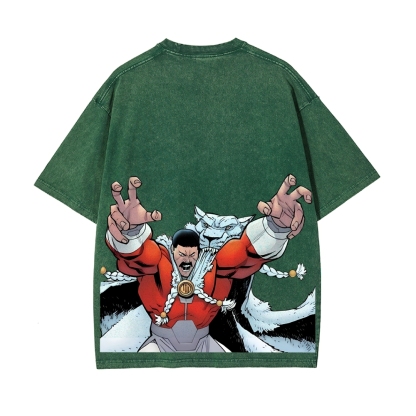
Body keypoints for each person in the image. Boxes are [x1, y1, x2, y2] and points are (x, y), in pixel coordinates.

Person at [105, 174, 312, 352]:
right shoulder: (159, 264)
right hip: (159, 345)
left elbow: (245, 253)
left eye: (191, 254)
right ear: (173, 251)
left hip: (205, 344)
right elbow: (139, 257)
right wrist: (131, 233)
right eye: (181, 254)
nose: (187, 259)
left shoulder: (213, 267)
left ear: (199, 252)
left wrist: (275, 228)